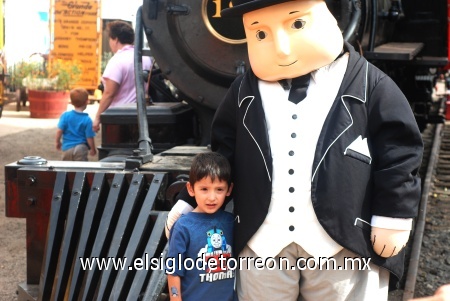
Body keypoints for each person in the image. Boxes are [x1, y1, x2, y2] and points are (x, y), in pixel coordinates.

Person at [166, 0, 424, 300]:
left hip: (343, 244)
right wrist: (190, 200)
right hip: (263, 245)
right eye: (261, 34)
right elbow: (223, 154)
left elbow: (400, 149)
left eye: (297, 24)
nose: (282, 47)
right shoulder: (243, 91)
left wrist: (393, 213)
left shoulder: (368, 82)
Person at [166, 152, 236, 301]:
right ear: (191, 189)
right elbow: (173, 271)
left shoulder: (232, 222)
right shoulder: (182, 227)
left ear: (229, 190)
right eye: (204, 189)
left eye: (219, 189)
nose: (212, 197)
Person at [93, 20, 153, 132]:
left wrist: (97, 118)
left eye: (110, 39)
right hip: (142, 115)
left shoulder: (117, 60)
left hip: (119, 117)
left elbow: (109, 93)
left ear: (115, 39)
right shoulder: (145, 58)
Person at [56, 88, 96, 161]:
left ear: (71, 102)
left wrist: (57, 142)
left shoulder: (65, 115)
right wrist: (93, 149)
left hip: (67, 148)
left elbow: (59, 131)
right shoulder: (87, 120)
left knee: (67, 169)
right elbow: (89, 137)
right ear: (87, 102)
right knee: (80, 170)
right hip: (81, 148)